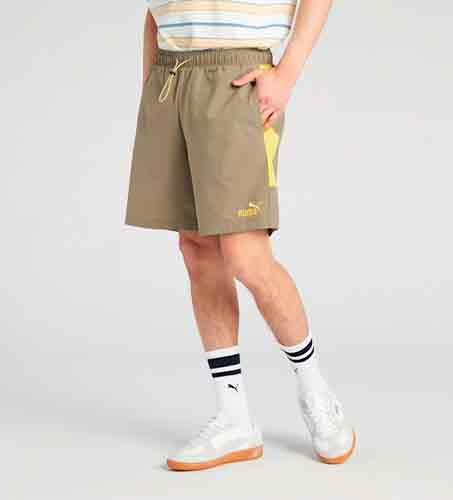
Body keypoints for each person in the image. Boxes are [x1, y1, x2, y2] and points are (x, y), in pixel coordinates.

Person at [125, 0, 356, 471]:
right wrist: (151, 86)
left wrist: (287, 72)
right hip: (170, 75)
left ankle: (316, 392)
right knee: (196, 249)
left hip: (236, 76)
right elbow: (153, 12)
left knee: (247, 256)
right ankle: (234, 418)